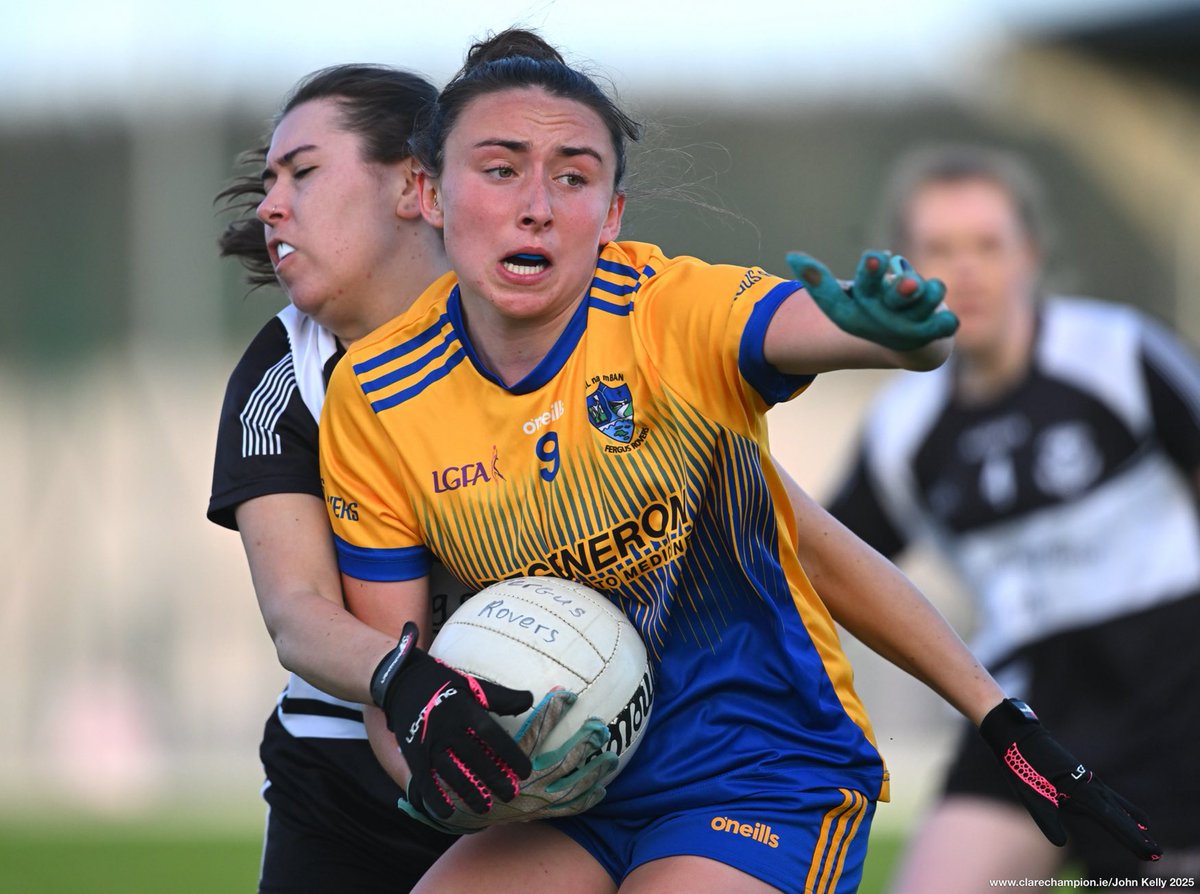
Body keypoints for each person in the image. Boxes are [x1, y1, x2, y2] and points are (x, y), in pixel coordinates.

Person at [317, 31, 1159, 893]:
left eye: (573, 176)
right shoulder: (376, 396)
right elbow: (400, 676)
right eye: (500, 169)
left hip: (765, 772)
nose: (537, 204)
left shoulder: (671, 314)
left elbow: (810, 332)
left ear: (611, 215)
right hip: (565, 801)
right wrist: (442, 769)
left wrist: (893, 332)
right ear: (428, 191)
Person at [207, 63, 612, 893]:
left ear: (416, 186)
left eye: (304, 172)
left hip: (561, 765)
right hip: (344, 789)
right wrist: (405, 684)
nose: (270, 205)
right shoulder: (288, 370)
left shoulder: (571, 325)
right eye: (269, 180)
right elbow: (298, 613)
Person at [827, 143, 1200, 887]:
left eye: (988, 245)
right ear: (902, 266)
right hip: (1031, 708)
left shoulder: (1118, 352)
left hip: (1176, 688)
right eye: (940, 248)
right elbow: (822, 566)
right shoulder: (903, 426)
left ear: (1030, 252)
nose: (966, 270)